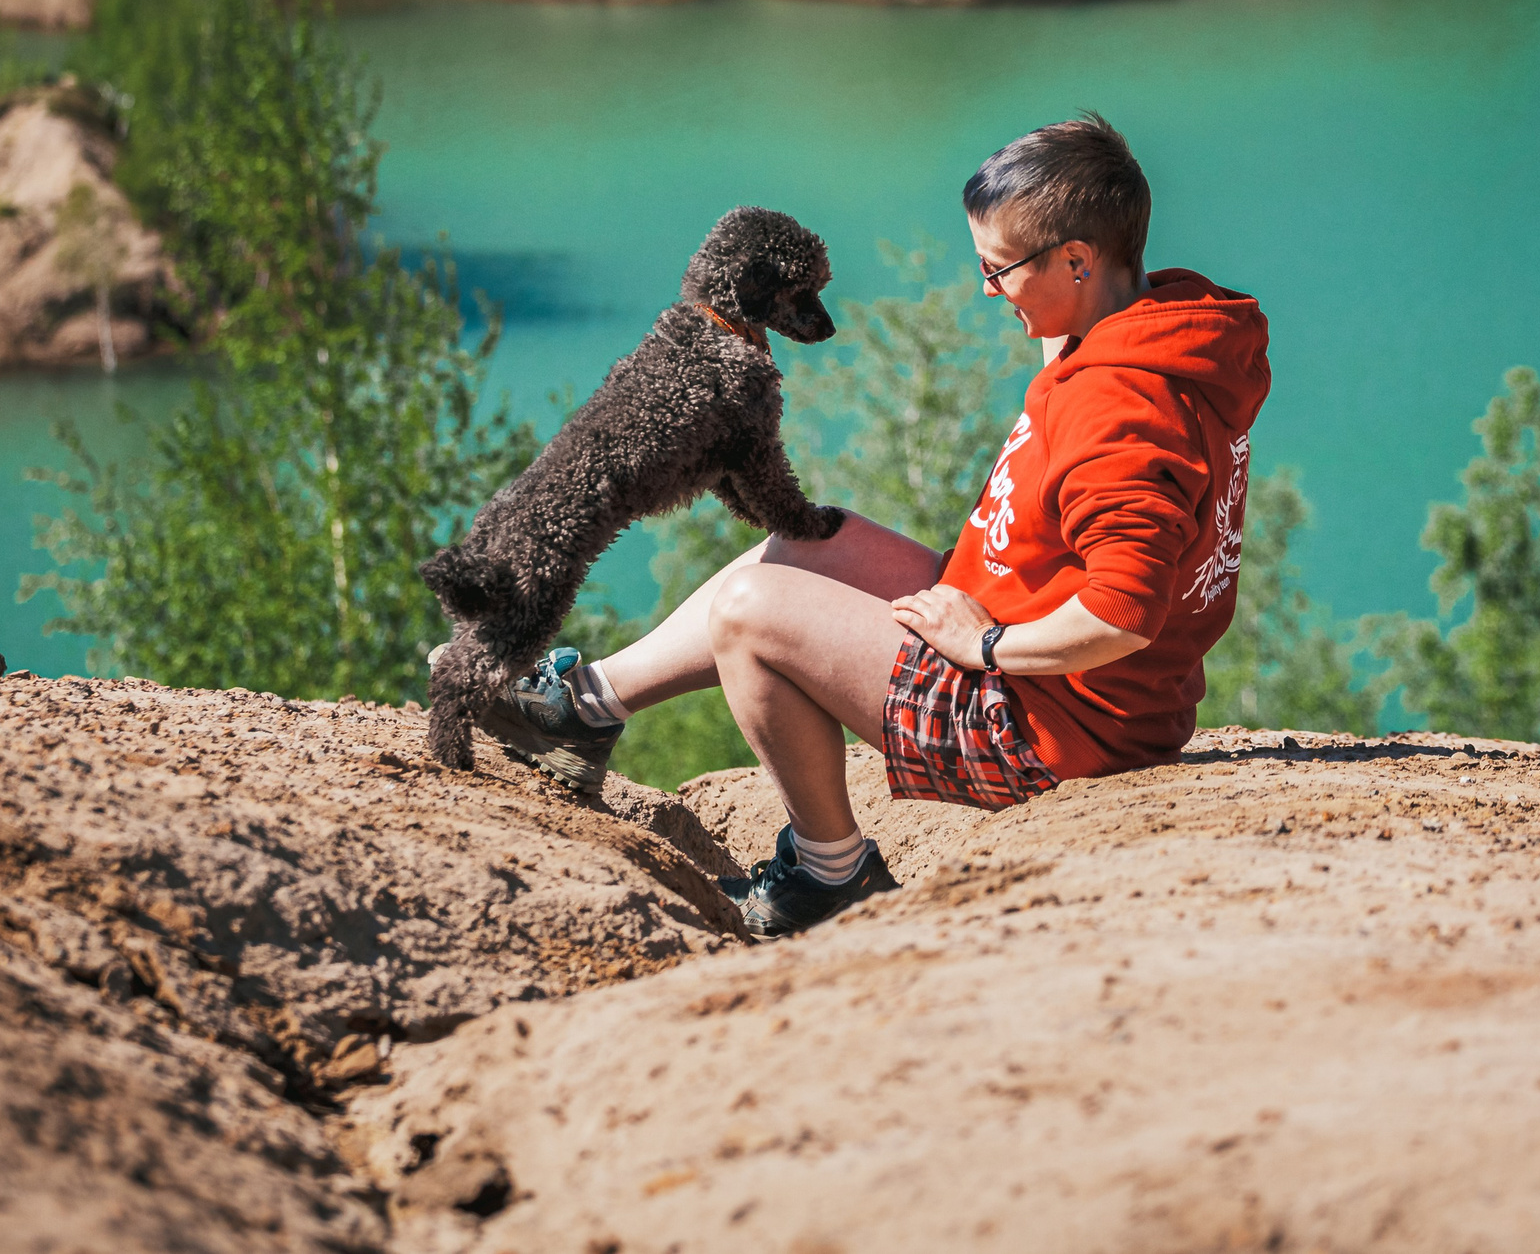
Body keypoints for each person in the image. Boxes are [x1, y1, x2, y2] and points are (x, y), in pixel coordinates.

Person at [498, 114, 1270, 936]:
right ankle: (586, 707)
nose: (987, 289)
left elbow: (1123, 612)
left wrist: (985, 646)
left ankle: (829, 872)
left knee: (749, 615)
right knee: (807, 537)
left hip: (1044, 725)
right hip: (1045, 651)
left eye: (998, 268)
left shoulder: (1121, 406)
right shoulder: (1152, 323)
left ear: (1079, 260)